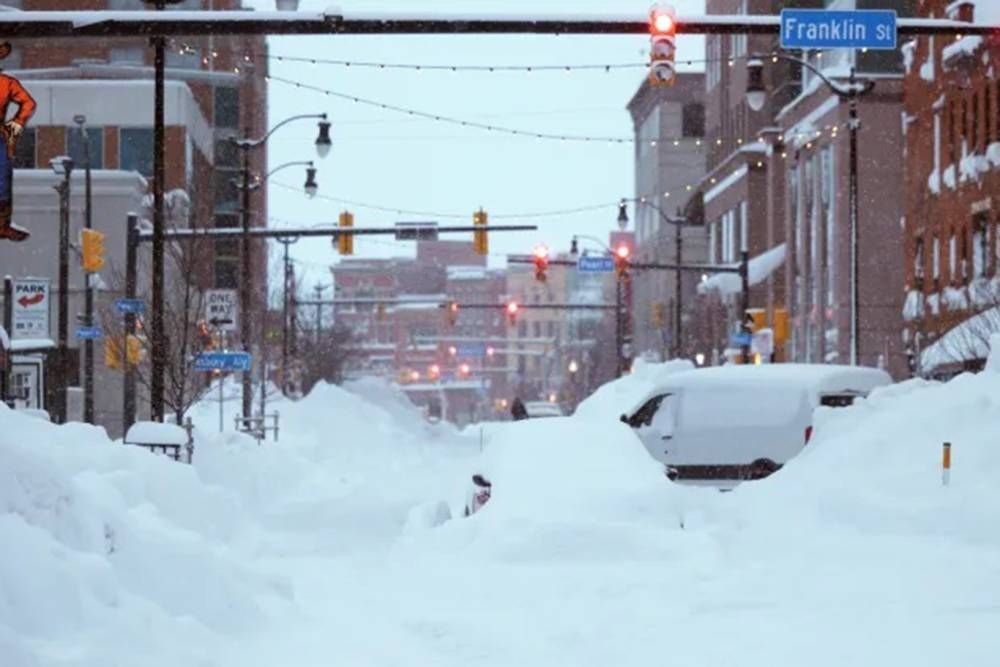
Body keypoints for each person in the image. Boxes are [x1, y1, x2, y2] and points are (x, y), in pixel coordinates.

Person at [0, 41, 36, 242]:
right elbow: (28, 104)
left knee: (3, 180)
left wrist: (15, 124)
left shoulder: (6, 83)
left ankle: (3, 224)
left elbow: (28, 104)